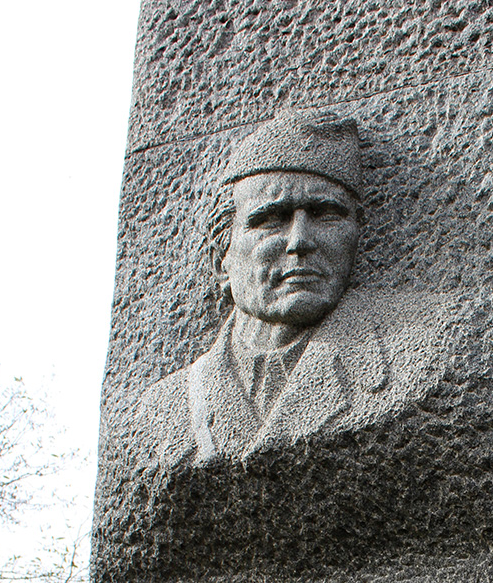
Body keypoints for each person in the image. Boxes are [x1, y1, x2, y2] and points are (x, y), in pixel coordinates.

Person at [139, 111, 450, 467]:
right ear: (220, 259)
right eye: (271, 219)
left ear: (357, 237)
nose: (300, 241)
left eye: (325, 214)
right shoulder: (164, 407)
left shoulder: (418, 351)